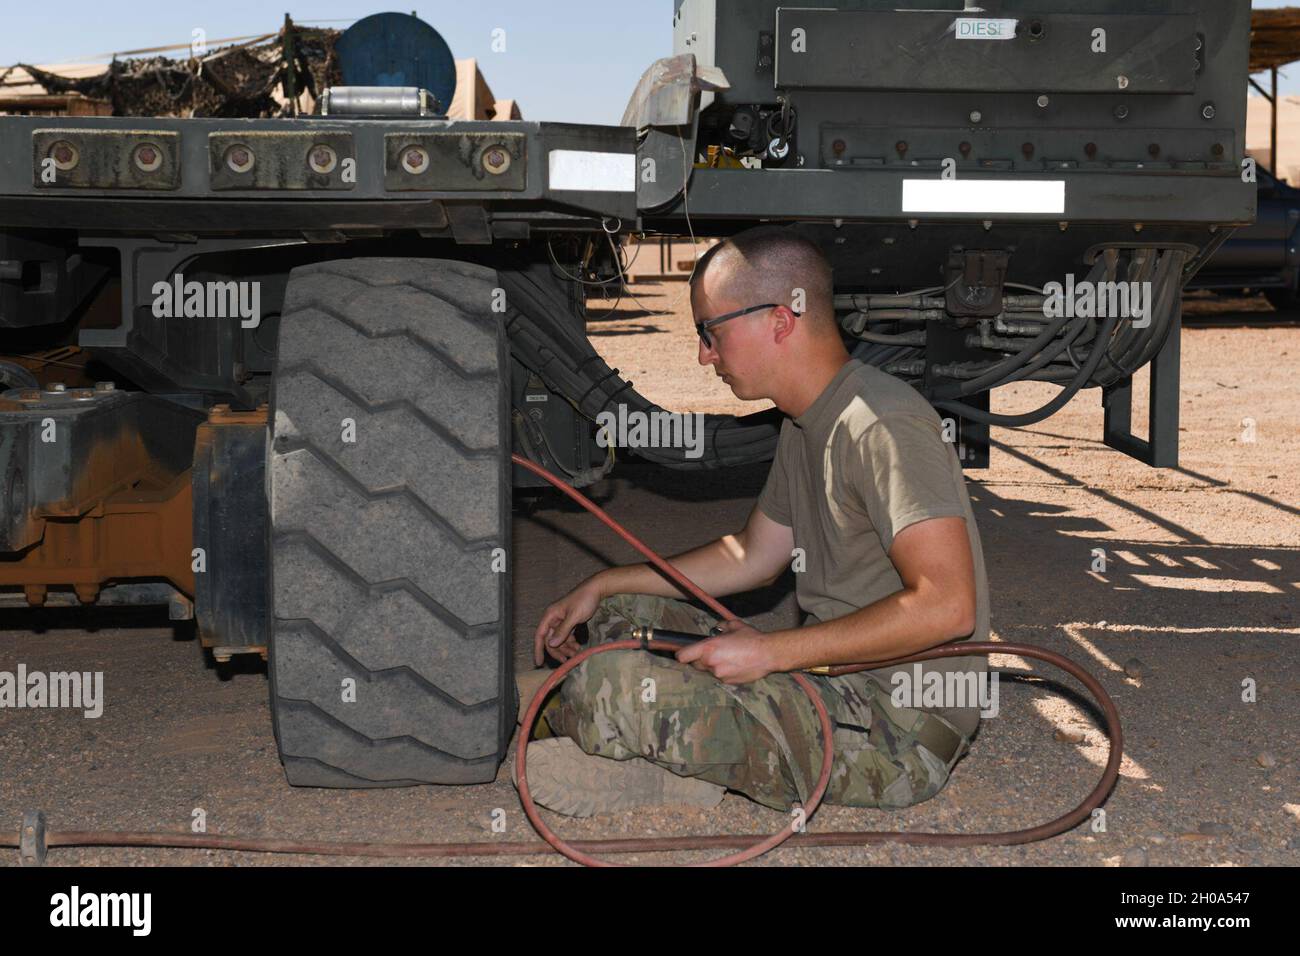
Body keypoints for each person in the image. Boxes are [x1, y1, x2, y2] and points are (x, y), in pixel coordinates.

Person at [514, 226, 990, 818]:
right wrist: (603, 584)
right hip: (834, 679)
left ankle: (650, 763)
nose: (703, 355)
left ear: (780, 321)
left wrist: (774, 652)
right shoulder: (806, 420)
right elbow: (752, 555)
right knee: (622, 615)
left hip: (896, 730)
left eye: (710, 332)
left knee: (606, 688)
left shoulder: (882, 424)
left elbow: (949, 606)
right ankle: (667, 751)